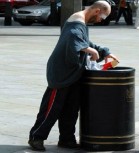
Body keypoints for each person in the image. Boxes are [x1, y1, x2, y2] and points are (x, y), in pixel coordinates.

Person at [28, 0, 119, 151]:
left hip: (74, 73)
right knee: (51, 108)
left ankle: (66, 138)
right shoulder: (76, 22)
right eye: (102, 18)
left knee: (71, 108)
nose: (100, 21)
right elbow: (74, 40)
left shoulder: (80, 22)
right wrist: (90, 50)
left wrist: (104, 51)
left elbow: (85, 42)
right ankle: (36, 137)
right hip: (62, 73)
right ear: (97, 11)